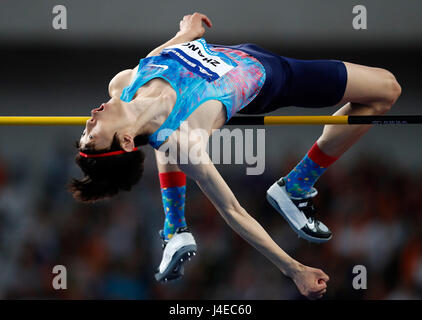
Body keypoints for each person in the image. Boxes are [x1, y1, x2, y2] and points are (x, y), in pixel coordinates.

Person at [69, 12, 401, 299]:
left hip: (243, 51)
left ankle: (175, 227)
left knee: (161, 137)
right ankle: (296, 184)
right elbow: (232, 210)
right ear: (126, 141)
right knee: (386, 90)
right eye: (91, 136)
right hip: (276, 78)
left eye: (83, 130)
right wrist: (294, 269)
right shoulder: (181, 137)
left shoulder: (124, 83)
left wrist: (188, 30)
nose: (89, 121)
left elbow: (174, 48)